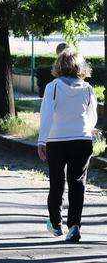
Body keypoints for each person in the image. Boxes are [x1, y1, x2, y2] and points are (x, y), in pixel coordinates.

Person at [37, 49, 97, 243]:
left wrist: (41, 141)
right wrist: (84, 130)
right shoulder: (88, 88)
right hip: (81, 139)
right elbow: (92, 118)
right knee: (77, 183)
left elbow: (46, 115)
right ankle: (74, 226)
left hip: (56, 140)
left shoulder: (52, 87)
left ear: (59, 66)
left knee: (57, 181)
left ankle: (56, 224)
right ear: (80, 66)